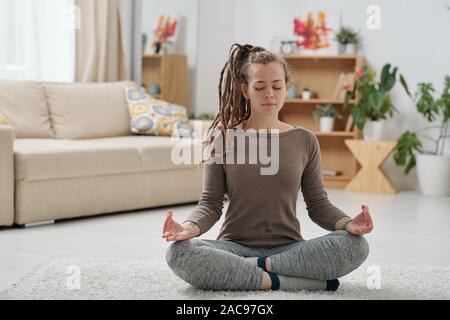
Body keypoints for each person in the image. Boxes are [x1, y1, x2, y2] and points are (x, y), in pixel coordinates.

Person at [162, 43, 373, 292]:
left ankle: (253, 269)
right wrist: (187, 228)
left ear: (286, 88)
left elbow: (318, 205)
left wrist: (348, 223)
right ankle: (286, 281)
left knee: (356, 245)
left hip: (289, 247)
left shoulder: (305, 140)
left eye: (277, 86)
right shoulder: (223, 139)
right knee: (179, 253)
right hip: (234, 248)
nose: (269, 94)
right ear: (245, 90)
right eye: (260, 87)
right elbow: (210, 204)